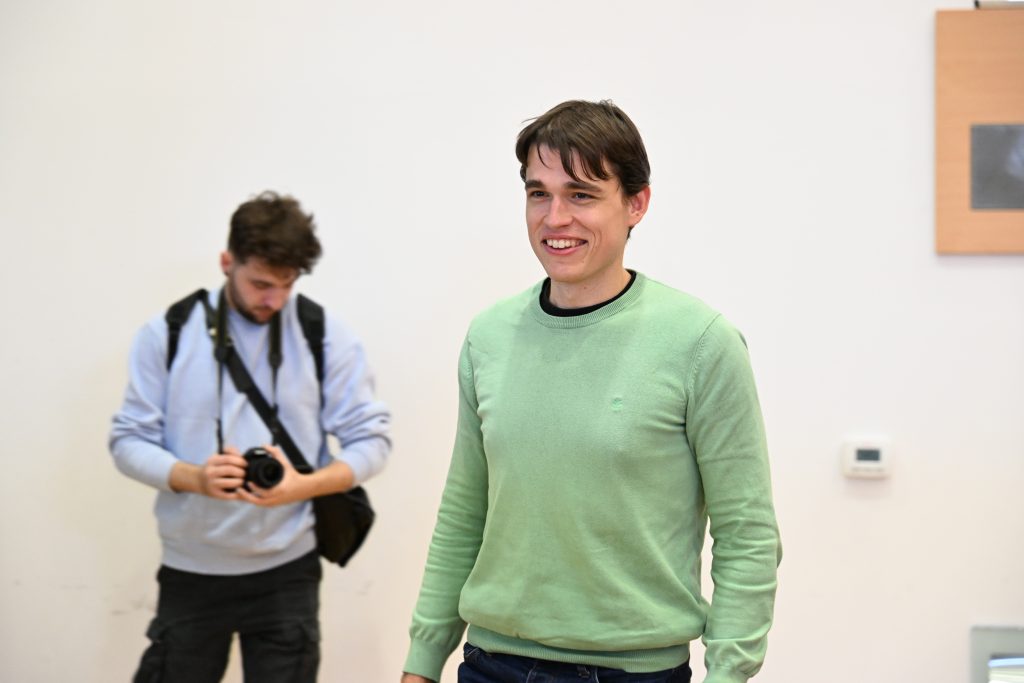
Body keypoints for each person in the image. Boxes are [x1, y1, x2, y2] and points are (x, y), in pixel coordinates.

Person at [402, 100, 781, 683]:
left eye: (581, 194)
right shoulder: (489, 336)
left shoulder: (701, 342)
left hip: (634, 673)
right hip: (489, 665)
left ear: (636, 204)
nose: (555, 217)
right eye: (539, 193)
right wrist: (423, 661)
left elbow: (747, 534)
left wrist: (728, 673)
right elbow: (463, 511)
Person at [110, 191, 391, 682]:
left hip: (288, 570)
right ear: (227, 263)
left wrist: (303, 486)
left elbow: (373, 442)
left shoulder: (323, 334)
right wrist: (194, 477)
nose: (274, 300)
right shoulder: (168, 333)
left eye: (287, 285)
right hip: (192, 570)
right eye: (261, 283)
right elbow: (127, 440)